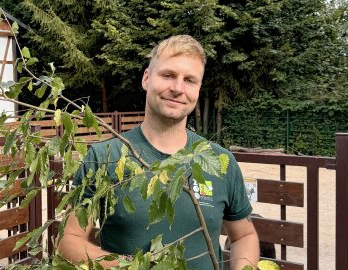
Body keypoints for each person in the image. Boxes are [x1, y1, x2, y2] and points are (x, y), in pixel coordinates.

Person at [58, 35, 259, 270]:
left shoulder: (220, 162)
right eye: (168, 75)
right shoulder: (104, 157)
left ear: (198, 89)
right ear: (146, 78)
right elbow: (68, 241)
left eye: (190, 80)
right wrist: (130, 267)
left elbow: (244, 236)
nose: (177, 88)